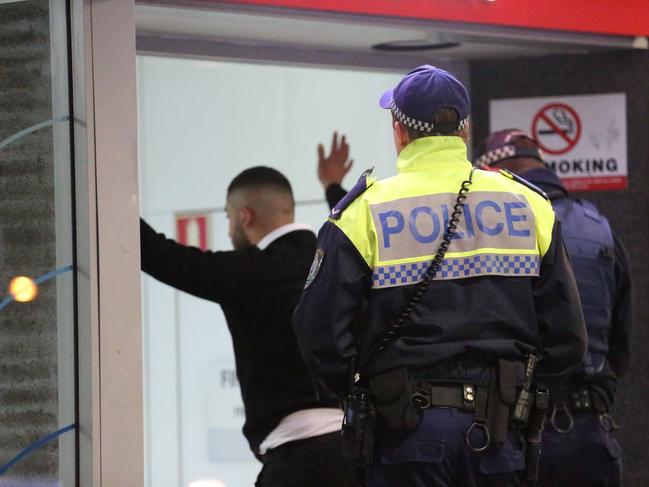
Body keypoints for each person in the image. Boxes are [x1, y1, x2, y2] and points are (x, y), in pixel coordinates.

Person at [293, 65, 587, 487]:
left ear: (399, 131)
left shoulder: (362, 213)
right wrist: (521, 396)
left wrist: (364, 392)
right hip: (500, 434)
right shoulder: (529, 206)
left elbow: (319, 334)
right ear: (464, 131)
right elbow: (568, 339)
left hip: (403, 435)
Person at [140, 166, 359, 487]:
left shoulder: (251, 272)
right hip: (361, 459)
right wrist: (333, 188)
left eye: (228, 219)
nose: (229, 230)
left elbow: (159, 255)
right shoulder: (338, 263)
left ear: (245, 216)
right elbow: (358, 231)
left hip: (297, 463)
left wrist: (107, 192)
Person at [474, 129, 632, 487]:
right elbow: (622, 345)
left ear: (497, 173)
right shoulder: (601, 230)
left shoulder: (495, 230)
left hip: (513, 439)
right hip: (589, 432)